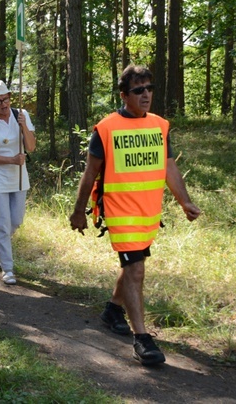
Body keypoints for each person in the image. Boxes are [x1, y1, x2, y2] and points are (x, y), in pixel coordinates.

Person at [69, 64, 201, 366]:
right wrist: (79, 212)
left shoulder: (159, 125)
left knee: (134, 267)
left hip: (149, 213)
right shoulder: (106, 128)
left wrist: (184, 201)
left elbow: (169, 167)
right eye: (139, 90)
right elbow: (90, 174)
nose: (146, 95)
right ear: (123, 95)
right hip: (120, 212)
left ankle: (113, 310)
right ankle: (142, 339)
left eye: (150, 88)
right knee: (137, 270)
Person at [0, 80, 36, 285]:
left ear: (10, 97)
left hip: (18, 177)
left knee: (16, 221)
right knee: (2, 224)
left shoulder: (22, 115)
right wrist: (11, 159)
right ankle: (7, 268)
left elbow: (31, 146)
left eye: (5, 99)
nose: (3, 104)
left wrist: (23, 126)